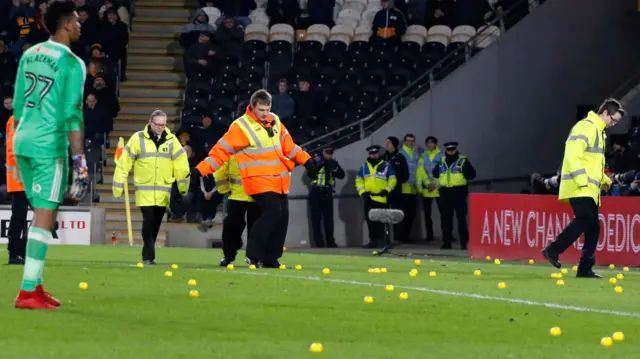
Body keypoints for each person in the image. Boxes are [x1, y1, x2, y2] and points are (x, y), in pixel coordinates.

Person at [13, 0, 90, 310]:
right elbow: (73, 114)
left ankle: (37, 284)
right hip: (48, 146)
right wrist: (79, 160)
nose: (81, 24)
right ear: (65, 24)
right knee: (45, 215)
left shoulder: (29, 54)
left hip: (22, 142)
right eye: (77, 19)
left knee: (39, 214)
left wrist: (13, 155)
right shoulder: (72, 63)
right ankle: (27, 291)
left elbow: (18, 105)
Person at [195, 89, 315, 268]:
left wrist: (307, 160)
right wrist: (200, 170)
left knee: (280, 217)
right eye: (261, 110)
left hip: (278, 180)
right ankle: (248, 254)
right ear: (252, 107)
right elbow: (220, 152)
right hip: (254, 183)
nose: (265, 113)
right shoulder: (240, 127)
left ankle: (270, 258)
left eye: (268, 109)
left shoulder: (274, 120)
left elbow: (289, 145)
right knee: (267, 214)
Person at [542, 98, 622, 278]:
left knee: (593, 226)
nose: (613, 124)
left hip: (588, 188)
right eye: (613, 120)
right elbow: (572, 155)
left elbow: (592, 163)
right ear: (604, 113)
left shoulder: (598, 131)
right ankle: (553, 250)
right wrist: (582, 181)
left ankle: (585, 268)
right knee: (585, 219)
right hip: (580, 185)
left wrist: (605, 180)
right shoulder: (586, 127)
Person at [112, 110, 191, 265]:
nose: (161, 127)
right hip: (144, 189)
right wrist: (118, 184)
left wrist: (183, 184)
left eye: (163, 124)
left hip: (163, 190)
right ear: (150, 122)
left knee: (156, 223)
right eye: (158, 124)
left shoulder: (171, 140)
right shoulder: (138, 138)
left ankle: (148, 252)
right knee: (148, 221)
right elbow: (124, 162)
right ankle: (148, 255)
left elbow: (181, 163)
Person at [215, 155, 261, 266]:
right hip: (258, 195)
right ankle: (254, 258)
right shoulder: (261, 147)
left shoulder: (232, 149)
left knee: (231, 226)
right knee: (256, 228)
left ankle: (228, 256)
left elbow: (220, 172)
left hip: (237, 195)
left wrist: (224, 189)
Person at [432, 141, 476, 250]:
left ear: (455, 149)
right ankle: (446, 242)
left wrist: (465, 170)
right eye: (449, 150)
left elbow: (472, 174)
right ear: (446, 150)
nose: (451, 152)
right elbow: (435, 173)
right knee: (446, 219)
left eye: (452, 150)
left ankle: (463, 242)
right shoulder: (441, 161)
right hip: (445, 192)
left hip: (459, 192)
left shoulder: (462, 160)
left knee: (461, 218)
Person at [356, 145, 397, 248]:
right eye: (371, 154)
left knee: (383, 222)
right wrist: (363, 192)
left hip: (381, 197)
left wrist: (387, 190)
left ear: (379, 154)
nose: (373, 155)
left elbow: (393, 179)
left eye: (375, 153)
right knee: (370, 222)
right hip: (369, 198)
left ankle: (384, 241)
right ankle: (373, 241)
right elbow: (358, 181)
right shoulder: (364, 167)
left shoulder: (386, 165)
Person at [308, 148, 345, 248]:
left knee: (329, 220)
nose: (329, 155)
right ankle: (319, 243)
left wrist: (334, 169)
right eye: (327, 153)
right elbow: (310, 174)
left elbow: (342, 175)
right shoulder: (315, 161)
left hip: (328, 192)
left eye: (331, 153)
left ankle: (330, 242)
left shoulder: (333, 162)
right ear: (323, 153)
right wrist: (320, 166)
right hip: (316, 192)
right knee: (316, 219)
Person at [6, 115, 27, 265]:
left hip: (24, 178)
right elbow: (13, 147)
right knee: (19, 216)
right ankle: (15, 252)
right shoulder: (17, 119)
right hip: (20, 178)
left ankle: (19, 251)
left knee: (20, 216)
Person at [416, 136, 444, 242]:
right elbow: (421, 172)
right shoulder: (423, 156)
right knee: (427, 215)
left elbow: (443, 172)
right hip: (427, 189)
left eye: (432, 143)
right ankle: (429, 235)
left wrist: (435, 184)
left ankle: (446, 234)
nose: (429, 145)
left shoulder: (442, 156)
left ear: (436, 144)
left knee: (444, 213)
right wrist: (428, 184)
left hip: (438, 188)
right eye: (428, 143)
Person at [383, 136, 409, 243]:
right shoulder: (383, 157)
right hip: (384, 190)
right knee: (384, 215)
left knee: (396, 214)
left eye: (388, 142)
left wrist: (396, 183)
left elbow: (405, 175)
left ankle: (398, 238)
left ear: (394, 144)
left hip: (396, 191)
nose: (386, 144)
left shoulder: (400, 157)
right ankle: (386, 238)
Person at [398, 134, 419, 242]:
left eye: (413, 141)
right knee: (402, 214)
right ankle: (401, 236)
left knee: (411, 214)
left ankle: (406, 236)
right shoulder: (401, 153)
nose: (411, 142)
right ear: (404, 141)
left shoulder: (416, 155)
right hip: (403, 188)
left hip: (413, 188)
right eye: (408, 140)